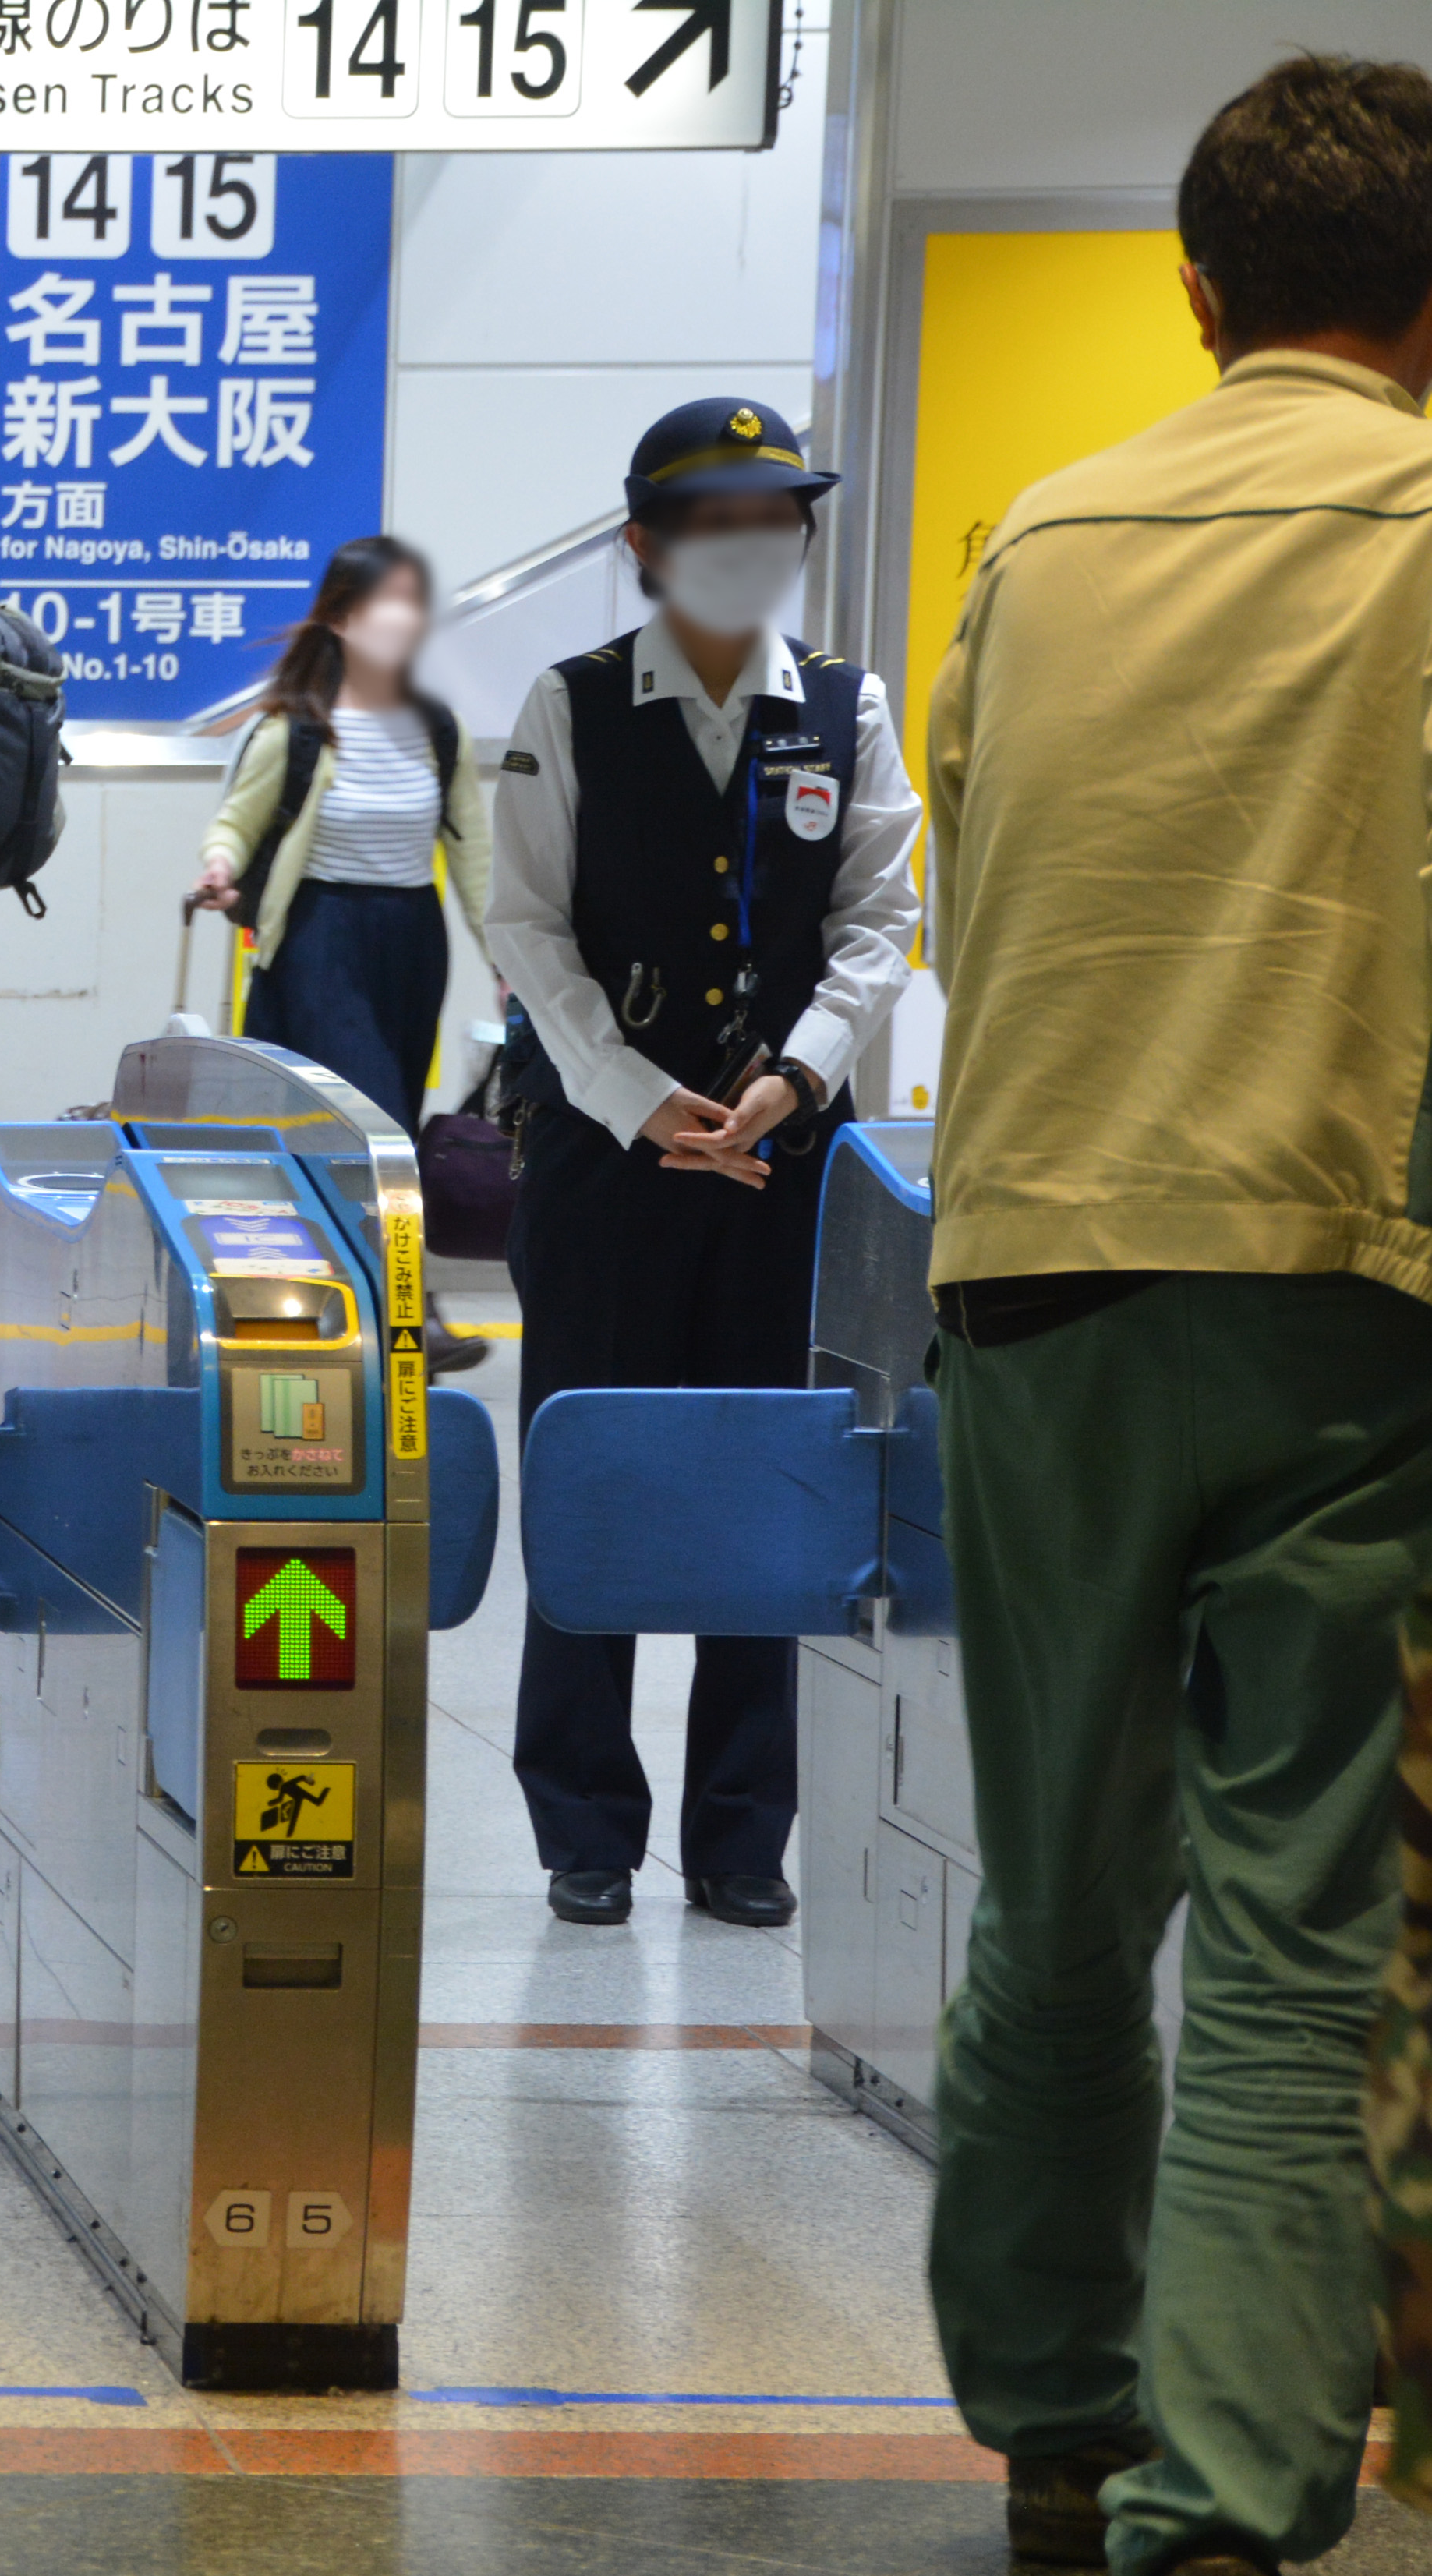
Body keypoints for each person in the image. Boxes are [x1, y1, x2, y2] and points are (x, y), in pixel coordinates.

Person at [918, 51, 1432, 2576]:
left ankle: (1049, 2415)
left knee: (1058, 1886)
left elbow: (978, 844)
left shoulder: (1039, 534)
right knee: (1300, 1922)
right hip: (1349, 1288)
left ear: (1195, 286)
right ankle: (1214, 2526)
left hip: (1036, 1269)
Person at [474, 399, 918, 1941]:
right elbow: (525, 923)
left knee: (771, 1482)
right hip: (607, 1162)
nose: (749, 547)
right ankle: (585, 1822)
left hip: (788, 1161)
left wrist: (800, 1073)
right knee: (593, 1466)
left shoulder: (847, 705)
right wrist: (636, 1096)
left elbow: (879, 917)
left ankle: (742, 1827)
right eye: (714, 522)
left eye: (774, 520)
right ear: (646, 544)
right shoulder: (572, 702)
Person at [191, 538, 499, 1375]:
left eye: (414, 601)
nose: (405, 618)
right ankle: (409, 1314)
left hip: (412, 941)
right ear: (339, 617)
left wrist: (507, 961)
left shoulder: (436, 729)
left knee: (385, 1118)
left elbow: (473, 855)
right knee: (379, 1126)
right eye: (385, 602)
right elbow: (237, 822)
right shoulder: (294, 728)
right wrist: (218, 867)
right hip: (320, 938)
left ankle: (354, 1307)